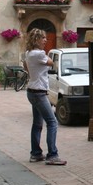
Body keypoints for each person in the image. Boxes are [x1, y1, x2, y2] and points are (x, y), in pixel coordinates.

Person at [24, 29, 66, 166]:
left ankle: (35, 154)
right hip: (39, 92)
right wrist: (48, 58)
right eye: (42, 38)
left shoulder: (28, 53)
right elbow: (51, 62)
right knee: (52, 122)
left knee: (37, 123)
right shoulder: (39, 54)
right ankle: (52, 155)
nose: (45, 40)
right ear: (35, 39)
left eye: (45, 38)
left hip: (32, 91)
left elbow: (26, 67)